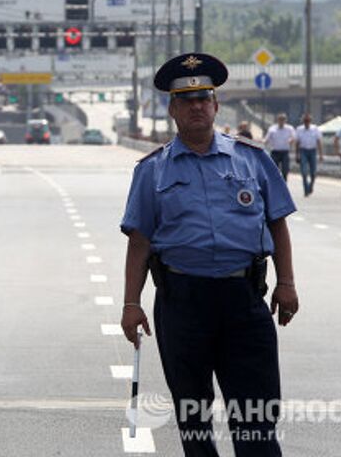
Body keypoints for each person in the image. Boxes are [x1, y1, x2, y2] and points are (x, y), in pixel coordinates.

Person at [120, 53, 298, 457]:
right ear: (173, 110)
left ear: (216, 106)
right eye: (187, 101)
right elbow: (139, 243)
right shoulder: (152, 171)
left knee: (256, 415)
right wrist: (131, 303)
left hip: (245, 301)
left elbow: (278, 225)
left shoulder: (252, 160)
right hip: (182, 302)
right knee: (193, 414)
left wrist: (286, 283)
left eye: (204, 99)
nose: (197, 106)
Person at [295, 114, 324, 197]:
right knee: (304, 172)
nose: (306, 123)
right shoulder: (299, 129)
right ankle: (306, 189)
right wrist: (297, 155)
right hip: (303, 151)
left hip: (313, 151)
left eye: (308, 121)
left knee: (313, 172)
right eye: (305, 121)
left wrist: (321, 154)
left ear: (310, 121)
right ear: (303, 121)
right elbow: (297, 143)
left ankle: (311, 185)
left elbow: (319, 142)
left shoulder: (315, 129)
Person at [264, 113, 295, 181]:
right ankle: (275, 184)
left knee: (285, 169)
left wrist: (291, 140)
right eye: (280, 119)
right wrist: (261, 142)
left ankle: (284, 183)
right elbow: (266, 139)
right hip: (275, 152)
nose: (281, 121)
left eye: (283, 119)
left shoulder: (289, 128)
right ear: (277, 120)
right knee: (273, 170)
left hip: (284, 152)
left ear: (285, 120)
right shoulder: (272, 129)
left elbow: (293, 137)